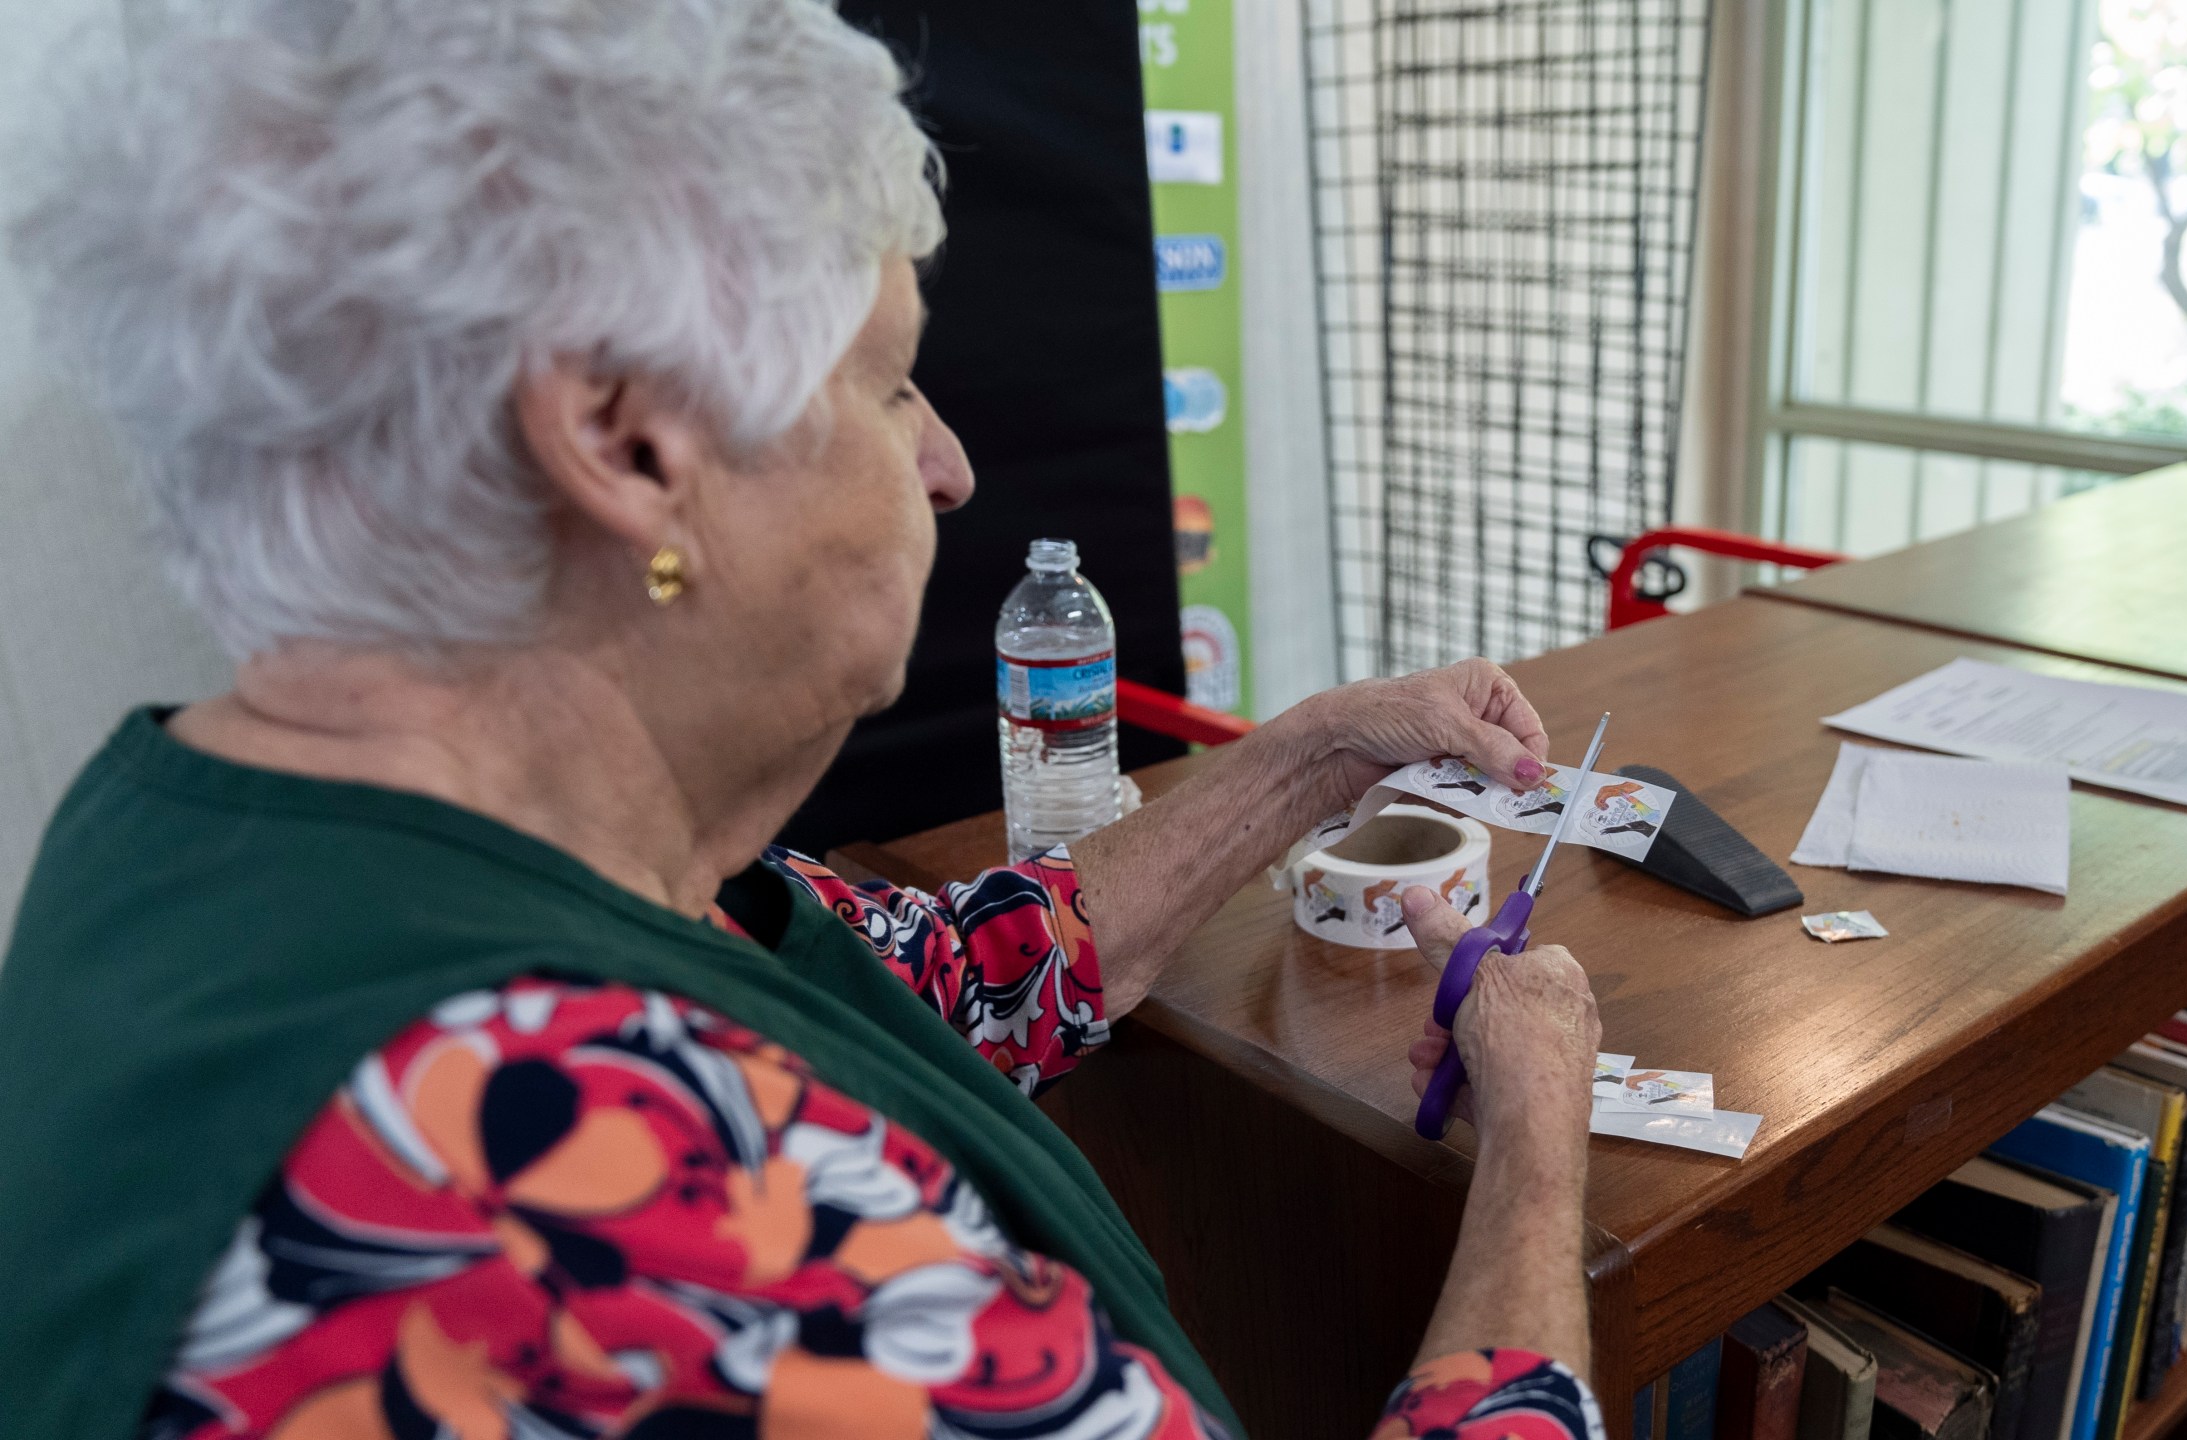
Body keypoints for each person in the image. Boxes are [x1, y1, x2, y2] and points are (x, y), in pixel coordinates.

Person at [0, 3, 1607, 1438]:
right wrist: (1536, 1146)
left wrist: (1327, 744)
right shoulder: (613, 1203)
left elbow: (955, 974)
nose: (948, 465)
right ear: (628, 444)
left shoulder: (225, 835)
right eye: (892, 382)